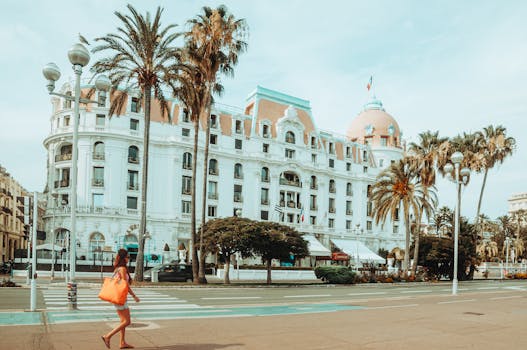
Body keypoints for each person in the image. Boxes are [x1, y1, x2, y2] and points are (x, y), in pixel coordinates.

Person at [101, 249, 140, 349]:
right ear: (123, 258)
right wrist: (134, 296)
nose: (128, 259)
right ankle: (107, 336)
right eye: (127, 257)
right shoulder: (122, 269)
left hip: (118, 298)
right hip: (121, 298)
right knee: (127, 322)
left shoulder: (117, 268)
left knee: (123, 321)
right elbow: (125, 285)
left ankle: (122, 342)